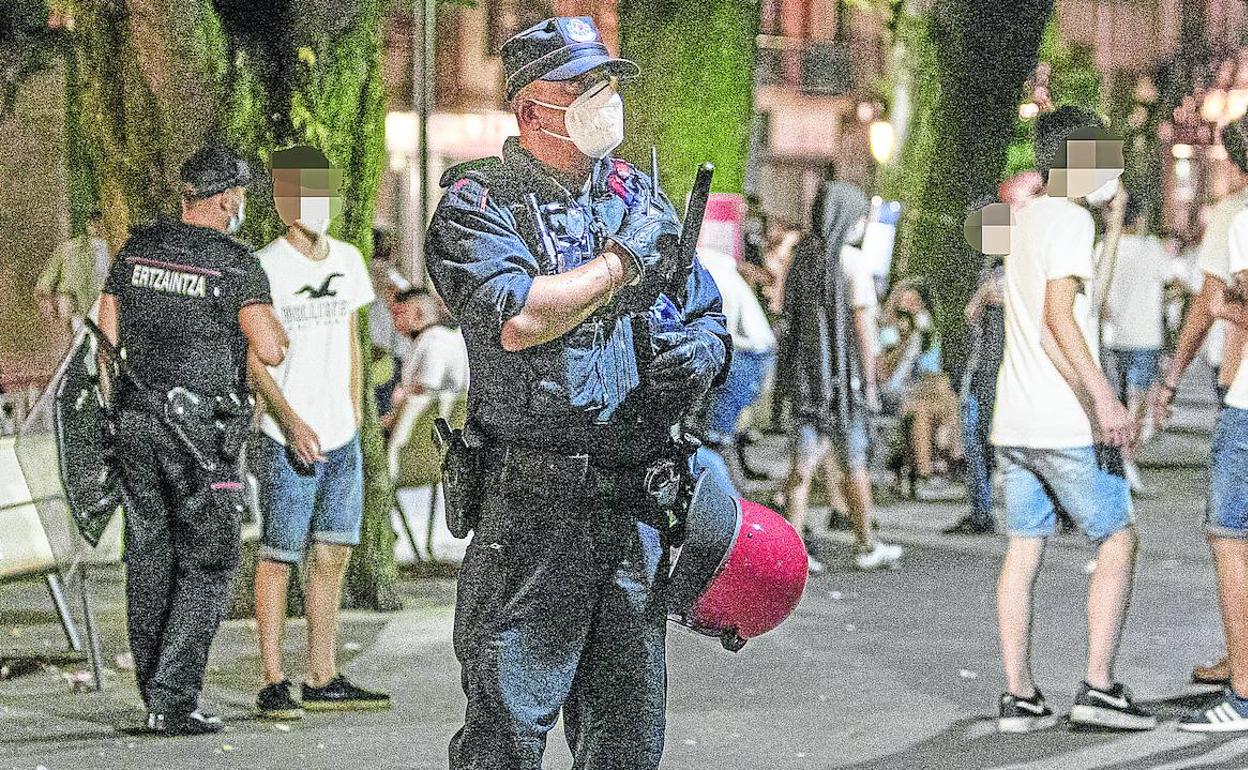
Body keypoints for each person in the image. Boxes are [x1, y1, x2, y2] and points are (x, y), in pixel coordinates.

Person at [424, 16, 730, 769]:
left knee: (626, 742)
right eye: (582, 86)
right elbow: (518, 317)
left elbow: (710, 320)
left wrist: (700, 353)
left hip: (634, 514)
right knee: (507, 735)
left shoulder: (640, 199)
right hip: (531, 517)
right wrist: (623, 263)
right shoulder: (479, 205)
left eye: (608, 84)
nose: (604, 100)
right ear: (531, 111)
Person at [95, 144, 287, 735]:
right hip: (205, 437)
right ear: (228, 200)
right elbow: (271, 348)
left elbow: (106, 340)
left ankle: (154, 689)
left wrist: (117, 414)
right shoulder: (236, 264)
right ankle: (174, 701)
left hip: (135, 423)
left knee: (149, 555)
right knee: (207, 561)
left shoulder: (136, 252)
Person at [991, 107, 1155, 733]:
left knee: (1022, 550)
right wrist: (1104, 399)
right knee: (1116, 538)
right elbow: (1059, 319)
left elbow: (1061, 310)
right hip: (1063, 423)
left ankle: (1019, 696)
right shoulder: (1069, 219)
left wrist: (1110, 228)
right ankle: (1098, 685)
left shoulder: (1025, 218)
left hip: (1015, 418)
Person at [246, 145, 389, 720]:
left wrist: (353, 411)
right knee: (280, 554)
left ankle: (322, 672)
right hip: (288, 437)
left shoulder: (350, 261)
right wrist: (290, 420)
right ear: (284, 202)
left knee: (332, 552)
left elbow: (352, 339)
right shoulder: (264, 267)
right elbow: (253, 359)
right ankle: (273, 677)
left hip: (341, 433)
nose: (316, 202)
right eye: (303, 191)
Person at [1153, 121, 1248, 688]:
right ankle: (1237, 655)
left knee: (1231, 532)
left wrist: (1172, 375)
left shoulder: (1236, 218)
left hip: (1241, 382)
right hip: (1236, 376)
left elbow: (1209, 303)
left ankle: (1242, 677)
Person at [777, 181, 901, 573]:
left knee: (802, 467)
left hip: (807, 380)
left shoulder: (803, 257)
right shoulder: (852, 262)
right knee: (854, 463)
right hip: (843, 384)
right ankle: (866, 544)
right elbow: (864, 332)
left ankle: (795, 550)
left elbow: (788, 316)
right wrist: (869, 382)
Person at [1101, 194, 1171, 495]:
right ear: (1140, 220)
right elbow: (1177, 282)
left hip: (1113, 336)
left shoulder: (1103, 247)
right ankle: (1129, 459)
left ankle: (1116, 461)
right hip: (1146, 337)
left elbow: (1097, 296)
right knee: (1137, 402)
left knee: (1115, 400)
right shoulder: (1151, 248)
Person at [696, 244, 777, 487]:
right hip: (755, 352)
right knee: (723, 435)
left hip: (746, 356)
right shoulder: (716, 264)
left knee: (716, 437)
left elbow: (722, 330)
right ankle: (734, 492)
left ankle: (732, 497)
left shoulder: (709, 273)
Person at [879, 280, 964, 500]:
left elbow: (931, 371)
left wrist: (921, 336)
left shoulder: (928, 332)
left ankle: (941, 468)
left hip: (922, 391)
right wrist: (905, 340)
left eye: (917, 302)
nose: (912, 306)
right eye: (907, 301)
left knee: (942, 397)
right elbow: (885, 373)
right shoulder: (889, 329)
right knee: (924, 408)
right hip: (893, 392)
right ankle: (934, 470)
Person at [946, 258, 1005, 535]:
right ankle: (980, 510)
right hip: (982, 365)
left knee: (980, 438)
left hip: (996, 368)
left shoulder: (1008, 269)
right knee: (975, 438)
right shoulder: (990, 270)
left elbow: (972, 311)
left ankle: (982, 512)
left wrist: (983, 296)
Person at [36, 209, 111, 327]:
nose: (97, 226)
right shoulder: (69, 249)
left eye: (100, 222)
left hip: (106, 314)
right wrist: (55, 304)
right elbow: (44, 286)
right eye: (93, 221)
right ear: (88, 224)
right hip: (79, 314)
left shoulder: (118, 251)